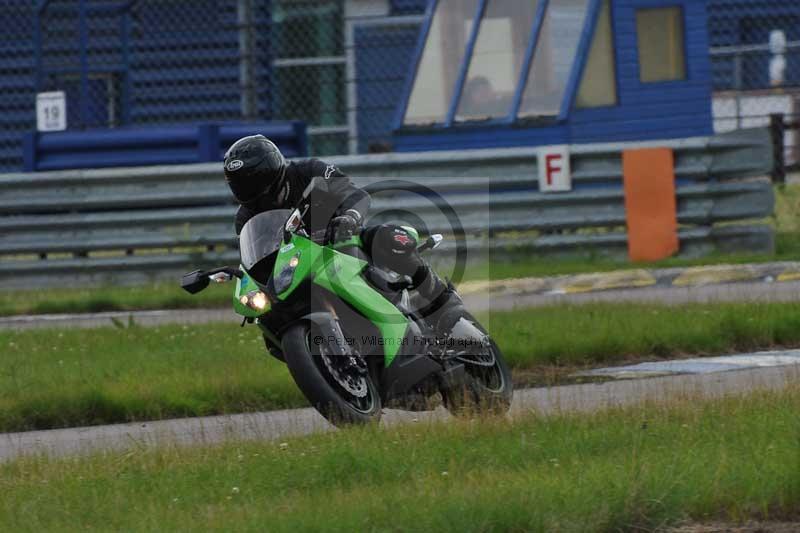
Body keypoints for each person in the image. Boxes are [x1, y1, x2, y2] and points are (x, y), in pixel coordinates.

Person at [222, 134, 459, 328]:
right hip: (300, 267)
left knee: (390, 237)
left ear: (269, 170)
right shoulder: (245, 218)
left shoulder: (308, 171)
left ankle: (442, 299)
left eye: (251, 180)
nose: (246, 188)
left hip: (343, 239)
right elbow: (259, 258)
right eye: (239, 183)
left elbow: (355, 194)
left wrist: (350, 217)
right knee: (270, 315)